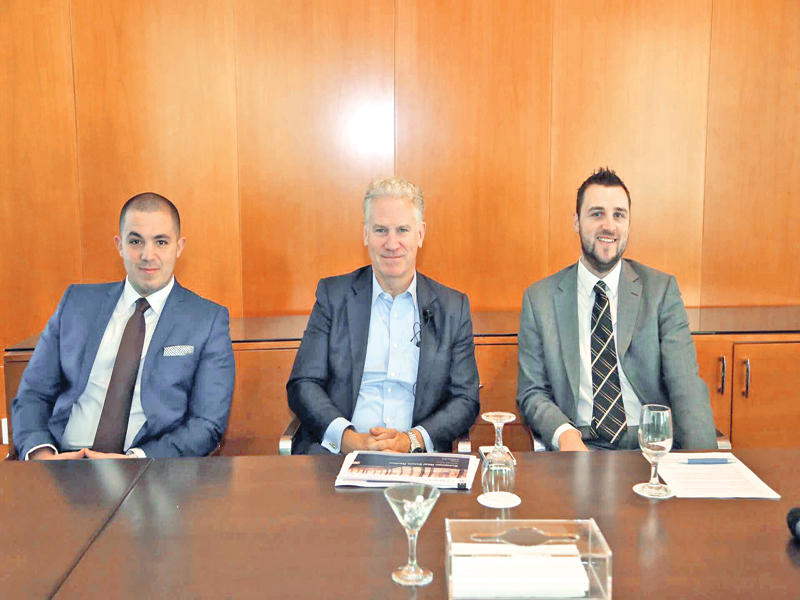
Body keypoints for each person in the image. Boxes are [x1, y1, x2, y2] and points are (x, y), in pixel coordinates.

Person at [11, 193, 235, 459]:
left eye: (161, 242)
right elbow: (33, 394)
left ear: (179, 247)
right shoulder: (76, 304)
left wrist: (136, 460)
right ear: (119, 245)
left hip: (148, 466)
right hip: (63, 461)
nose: (147, 255)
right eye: (135, 241)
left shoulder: (207, 320)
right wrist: (41, 455)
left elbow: (206, 425)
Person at [517, 168, 716, 451]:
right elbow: (532, 392)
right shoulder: (540, 300)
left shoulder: (660, 291)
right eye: (596, 214)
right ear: (576, 221)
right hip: (580, 447)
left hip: (649, 448)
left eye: (619, 215)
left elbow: (686, 387)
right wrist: (564, 434)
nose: (608, 226)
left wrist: (701, 464)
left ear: (629, 223)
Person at [287, 176, 480, 455]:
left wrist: (411, 440)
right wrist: (348, 439)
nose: (392, 243)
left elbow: (465, 399)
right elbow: (303, 384)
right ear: (366, 234)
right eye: (381, 230)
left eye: (402, 230)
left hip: (415, 459)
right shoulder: (334, 296)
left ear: (420, 234)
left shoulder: (452, 308)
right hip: (339, 457)